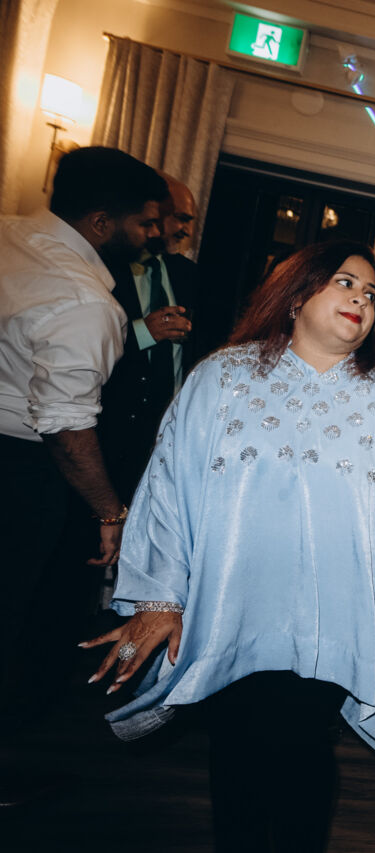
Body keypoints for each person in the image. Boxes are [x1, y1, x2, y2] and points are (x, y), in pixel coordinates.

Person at [80, 240, 375, 851]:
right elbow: (169, 487)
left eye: (370, 293)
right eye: (345, 282)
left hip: (337, 614)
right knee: (236, 745)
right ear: (297, 293)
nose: (361, 299)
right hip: (233, 609)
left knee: (305, 746)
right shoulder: (222, 378)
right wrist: (160, 597)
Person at [0, 147, 166, 787]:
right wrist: (110, 512)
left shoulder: (10, 235)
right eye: (145, 221)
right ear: (101, 222)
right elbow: (67, 429)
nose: (154, 234)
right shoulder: (83, 299)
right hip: (20, 471)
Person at [98, 174, 202, 503]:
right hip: (106, 437)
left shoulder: (190, 275)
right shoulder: (104, 268)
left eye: (190, 221)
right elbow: (84, 345)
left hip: (164, 443)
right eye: (179, 218)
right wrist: (142, 333)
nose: (185, 230)